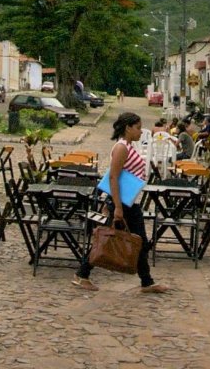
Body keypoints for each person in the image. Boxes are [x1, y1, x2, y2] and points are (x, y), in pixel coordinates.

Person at [73, 112, 168, 293]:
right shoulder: (121, 148)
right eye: (138, 128)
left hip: (129, 201)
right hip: (122, 203)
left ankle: (146, 281)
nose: (141, 132)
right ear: (128, 128)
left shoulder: (129, 146)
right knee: (111, 239)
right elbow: (113, 177)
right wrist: (116, 206)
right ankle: (82, 274)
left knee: (135, 241)